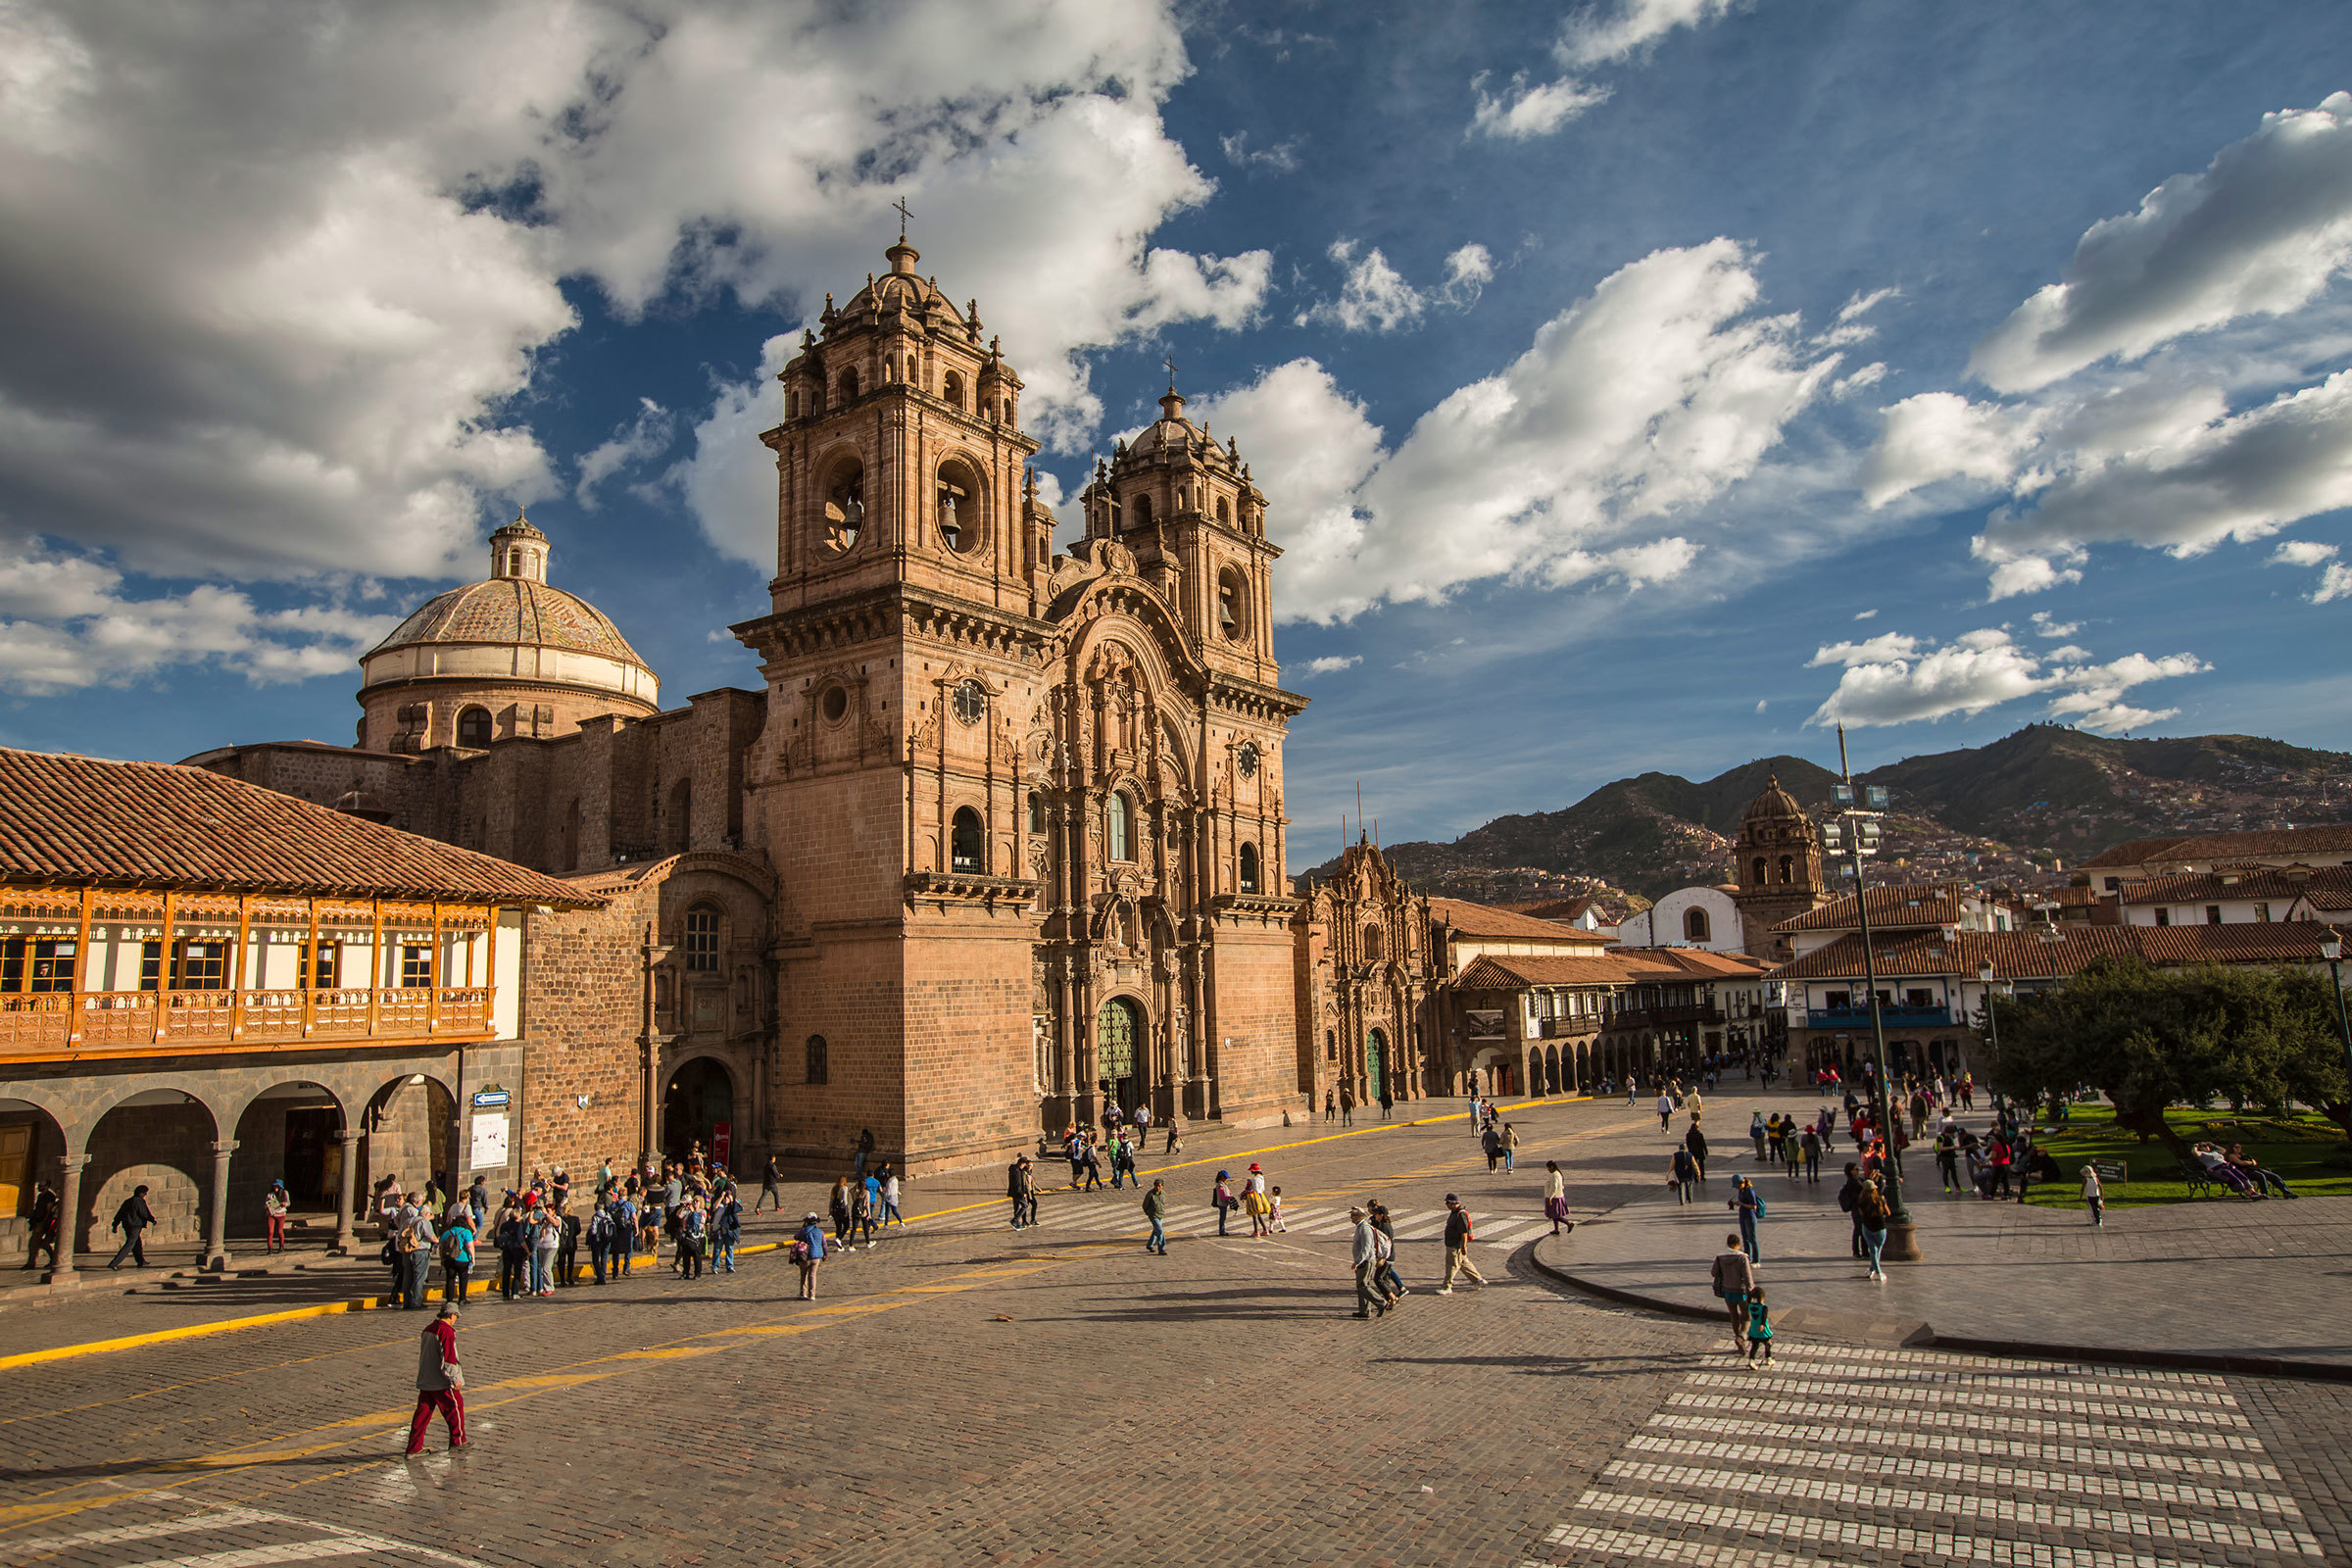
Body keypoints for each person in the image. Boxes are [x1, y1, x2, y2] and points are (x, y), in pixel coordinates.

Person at [404, 1300, 466, 1455]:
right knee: (455, 1408)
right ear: (452, 1316)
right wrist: (455, 1378)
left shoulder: (428, 1329)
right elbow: (449, 1358)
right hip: (441, 1381)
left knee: (422, 1415)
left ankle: (414, 1447)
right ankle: (457, 1441)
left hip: (426, 1379)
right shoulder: (446, 1332)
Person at [1709, 1234, 1755, 1354]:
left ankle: (1737, 1338)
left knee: (1734, 1316)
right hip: (1741, 1291)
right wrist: (1751, 1291)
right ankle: (1742, 1337)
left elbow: (1714, 1273)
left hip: (1727, 1291)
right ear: (1738, 1244)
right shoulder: (1742, 1258)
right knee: (1746, 1316)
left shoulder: (1720, 1257)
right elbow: (1747, 1277)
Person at [1437, 1194, 1486, 1293]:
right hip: (1453, 1244)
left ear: (1454, 1203)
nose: (1446, 1204)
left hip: (1455, 1245)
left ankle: (1447, 1286)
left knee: (1452, 1266)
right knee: (1464, 1264)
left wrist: (1464, 1247)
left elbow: (1464, 1232)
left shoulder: (1460, 1214)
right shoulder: (1454, 1212)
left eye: (1448, 1202)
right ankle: (1478, 1280)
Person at [1348, 1207, 1389, 1319]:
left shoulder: (1365, 1229)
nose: (1351, 1218)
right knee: (1363, 1285)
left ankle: (1381, 1303)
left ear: (1360, 1216)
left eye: (1353, 1216)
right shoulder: (1360, 1227)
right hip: (1364, 1261)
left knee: (1362, 1286)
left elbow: (1366, 1248)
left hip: (1366, 1261)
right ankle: (1364, 1311)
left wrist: (1357, 1261)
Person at [107, 1183, 156, 1270]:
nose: (145, 1195)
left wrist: (115, 1224)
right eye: (144, 1193)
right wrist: (152, 1219)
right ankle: (114, 1263)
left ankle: (141, 1261)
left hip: (127, 1225)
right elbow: (144, 1213)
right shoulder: (139, 1201)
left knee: (137, 1244)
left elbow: (120, 1214)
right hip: (135, 1225)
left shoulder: (128, 1201)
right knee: (129, 1244)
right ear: (141, 1193)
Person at [2227, 1143, 2296, 1199]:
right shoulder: (2231, 1156)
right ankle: (2264, 1194)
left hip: (2254, 1169)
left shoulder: (2244, 1155)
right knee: (2260, 1176)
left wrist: (2250, 1162)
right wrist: (2250, 1162)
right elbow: (2242, 1163)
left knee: (2274, 1176)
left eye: (2239, 1147)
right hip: (2245, 1172)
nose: (2238, 1149)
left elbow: (2254, 1162)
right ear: (2232, 1148)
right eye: (2236, 1147)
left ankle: (2286, 1192)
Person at [1368, 1202, 1405, 1302]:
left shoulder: (1384, 1227)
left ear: (1381, 1215)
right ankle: (1390, 1299)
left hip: (1387, 1257)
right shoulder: (1384, 1225)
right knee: (1385, 1279)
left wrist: (1382, 1258)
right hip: (1389, 1256)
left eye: (1376, 1214)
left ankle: (1392, 1297)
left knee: (1378, 1279)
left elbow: (1385, 1244)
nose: (1374, 1215)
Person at [439, 1205, 475, 1303]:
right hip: (463, 1259)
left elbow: (441, 1246)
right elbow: (470, 1247)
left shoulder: (447, 1232)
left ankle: (449, 1299)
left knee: (450, 1279)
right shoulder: (466, 1232)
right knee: (463, 1279)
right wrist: (473, 1258)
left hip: (449, 1258)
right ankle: (462, 1298)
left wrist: (441, 1258)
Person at [22, 1181, 59, 1272]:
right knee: (39, 1243)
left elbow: (48, 1211)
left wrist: (43, 1223)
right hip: (38, 1222)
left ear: (47, 1186)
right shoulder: (40, 1196)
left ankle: (31, 1263)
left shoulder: (49, 1196)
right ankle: (53, 1259)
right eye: (39, 1185)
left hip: (42, 1223)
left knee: (34, 1243)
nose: (39, 1187)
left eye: (41, 1185)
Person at [1729, 1175, 1764, 1263]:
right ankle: (1747, 1258)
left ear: (1742, 1183)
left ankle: (1756, 1260)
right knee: (1745, 1239)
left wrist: (1742, 1204)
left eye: (1738, 1186)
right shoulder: (1741, 1190)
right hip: (1742, 1215)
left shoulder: (1749, 1191)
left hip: (1750, 1217)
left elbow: (1754, 1206)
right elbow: (1741, 1202)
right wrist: (1735, 1203)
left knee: (1752, 1239)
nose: (1738, 1188)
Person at [792, 1211, 826, 1299]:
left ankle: (803, 1293)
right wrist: (825, 1254)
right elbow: (824, 1244)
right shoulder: (820, 1231)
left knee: (803, 1275)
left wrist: (803, 1227)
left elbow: (796, 1237)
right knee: (812, 1275)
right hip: (817, 1256)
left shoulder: (804, 1230)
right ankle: (812, 1294)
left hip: (805, 1256)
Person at [1743, 1285, 1776, 1367]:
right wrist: (1762, 1325)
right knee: (1768, 1344)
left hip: (1754, 1329)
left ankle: (1751, 1360)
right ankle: (1768, 1358)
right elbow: (1764, 1317)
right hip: (1763, 1330)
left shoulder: (1750, 1306)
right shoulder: (1763, 1307)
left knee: (1754, 1346)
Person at [555, 1203, 580, 1287]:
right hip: (571, 1242)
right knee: (570, 1261)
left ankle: (562, 1279)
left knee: (561, 1261)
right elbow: (578, 1230)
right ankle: (569, 1277)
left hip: (562, 1243)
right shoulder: (575, 1219)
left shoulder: (560, 1219)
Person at [1544, 1160, 1571, 1236]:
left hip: (1555, 1197)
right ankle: (1556, 1229)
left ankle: (1568, 1223)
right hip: (1558, 1196)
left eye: (1548, 1168)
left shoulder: (1554, 1175)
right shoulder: (1558, 1174)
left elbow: (1554, 1188)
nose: (1548, 1170)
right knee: (1554, 1214)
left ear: (1552, 1167)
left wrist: (1550, 1197)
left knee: (1555, 1215)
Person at [1006, 1156, 1034, 1231]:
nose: (1026, 1165)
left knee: (1016, 1208)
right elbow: (1018, 1184)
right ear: (1022, 1163)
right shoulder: (1017, 1172)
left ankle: (1017, 1223)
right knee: (1025, 1206)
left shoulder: (1016, 1169)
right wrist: (1022, 1193)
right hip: (1017, 1193)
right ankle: (1015, 1220)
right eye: (1025, 1164)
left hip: (1013, 1192)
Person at [263, 1180, 290, 1253]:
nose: (276, 1188)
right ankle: (270, 1247)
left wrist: (285, 1204)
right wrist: (268, 1206)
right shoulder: (270, 1195)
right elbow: (265, 1204)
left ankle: (281, 1245)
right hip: (271, 1214)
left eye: (277, 1187)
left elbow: (288, 1202)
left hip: (281, 1214)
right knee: (270, 1231)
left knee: (279, 1231)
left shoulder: (284, 1193)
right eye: (275, 1186)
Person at [1143, 1178, 1169, 1253]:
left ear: (1162, 1186)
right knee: (1160, 1231)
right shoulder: (1150, 1194)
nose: (1158, 1187)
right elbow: (1145, 1205)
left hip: (1161, 1215)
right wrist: (1148, 1213)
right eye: (1157, 1186)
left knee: (1156, 1231)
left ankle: (1150, 1245)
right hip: (1153, 1215)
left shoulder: (1163, 1193)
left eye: (1159, 1186)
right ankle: (1162, 1248)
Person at [1212, 1170, 1236, 1237]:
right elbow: (1222, 1196)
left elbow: (1227, 1191)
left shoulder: (1223, 1184)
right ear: (1222, 1177)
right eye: (1225, 1178)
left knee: (1223, 1217)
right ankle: (1222, 1231)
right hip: (1222, 1204)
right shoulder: (1220, 1186)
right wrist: (1229, 1197)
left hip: (1223, 1203)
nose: (1227, 1179)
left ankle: (1222, 1230)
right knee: (1222, 1218)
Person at [2080, 1163, 2104, 1227]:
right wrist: (2101, 1196)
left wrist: (2081, 1196)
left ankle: (2096, 1221)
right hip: (2096, 1195)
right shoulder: (2096, 1178)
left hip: (2090, 1196)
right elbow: (2100, 1187)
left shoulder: (2085, 1179)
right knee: (2096, 1208)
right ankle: (2099, 1219)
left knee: (2092, 1209)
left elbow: (2082, 1188)